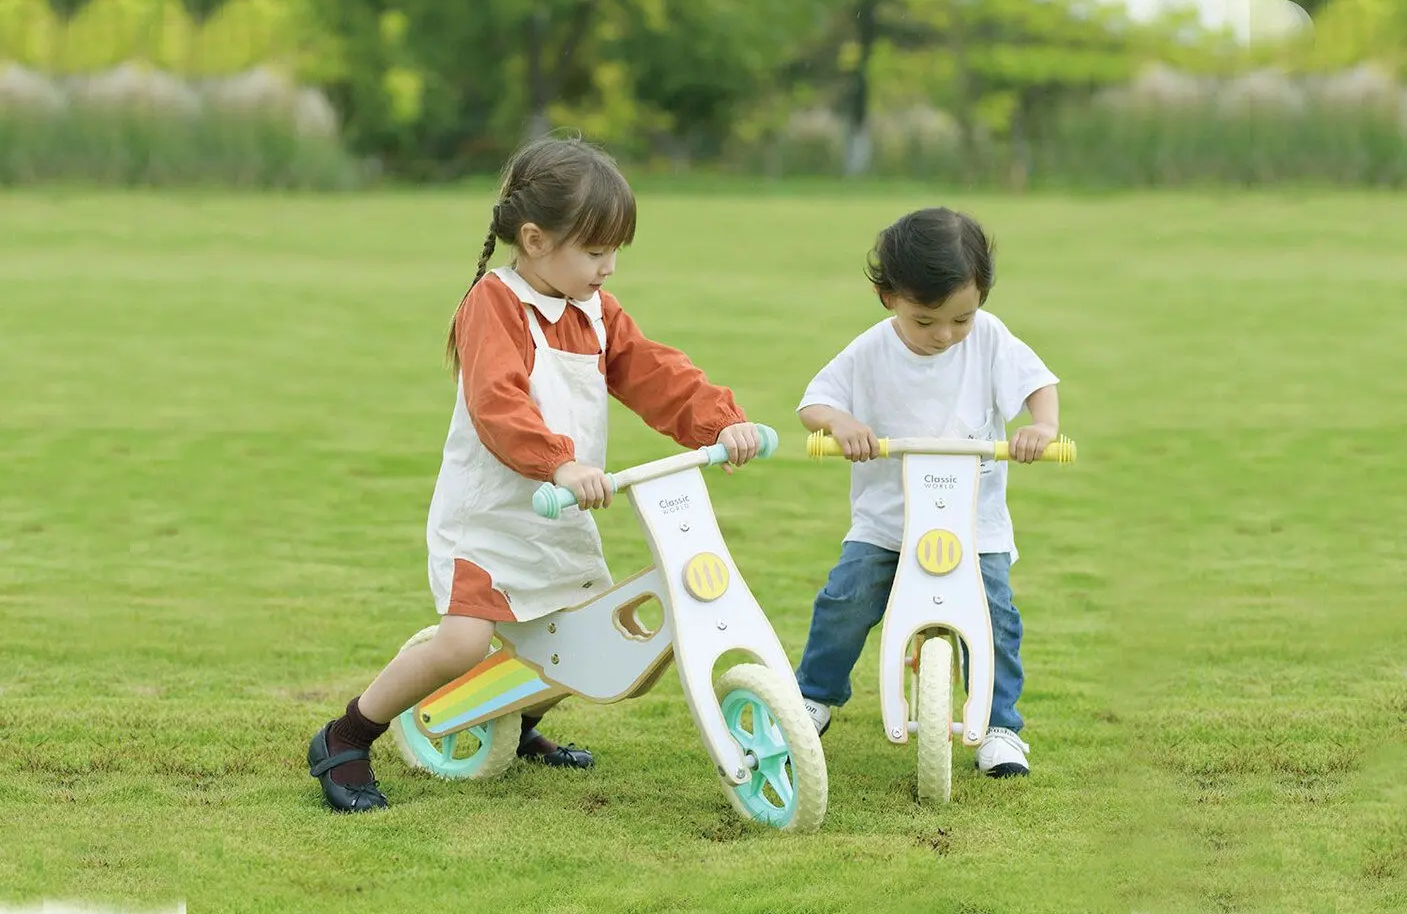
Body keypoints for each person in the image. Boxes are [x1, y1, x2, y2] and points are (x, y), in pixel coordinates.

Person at [307, 136, 763, 812]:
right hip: (491, 516)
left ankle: (517, 724)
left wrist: (717, 420)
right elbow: (497, 401)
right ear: (535, 239)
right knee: (462, 643)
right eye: (595, 252)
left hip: (559, 510)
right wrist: (561, 461)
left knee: (580, 639)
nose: (608, 269)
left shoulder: (595, 311)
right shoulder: (496, 304)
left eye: (615, 253)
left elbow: (650, 370)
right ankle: (346, 737)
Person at [792, 206, 1060, 778]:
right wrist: (840, 425)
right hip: (888, 522)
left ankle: (999, 726)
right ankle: (813, 694)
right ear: (888, 297)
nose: (945, 336)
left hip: (974, 523)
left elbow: (1038, 382)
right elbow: (815, 401)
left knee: (996, 617)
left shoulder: (988, 340)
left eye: (960, 319)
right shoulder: (869, 352)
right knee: (846, 598)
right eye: (926, 321)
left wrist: (1042, 427)